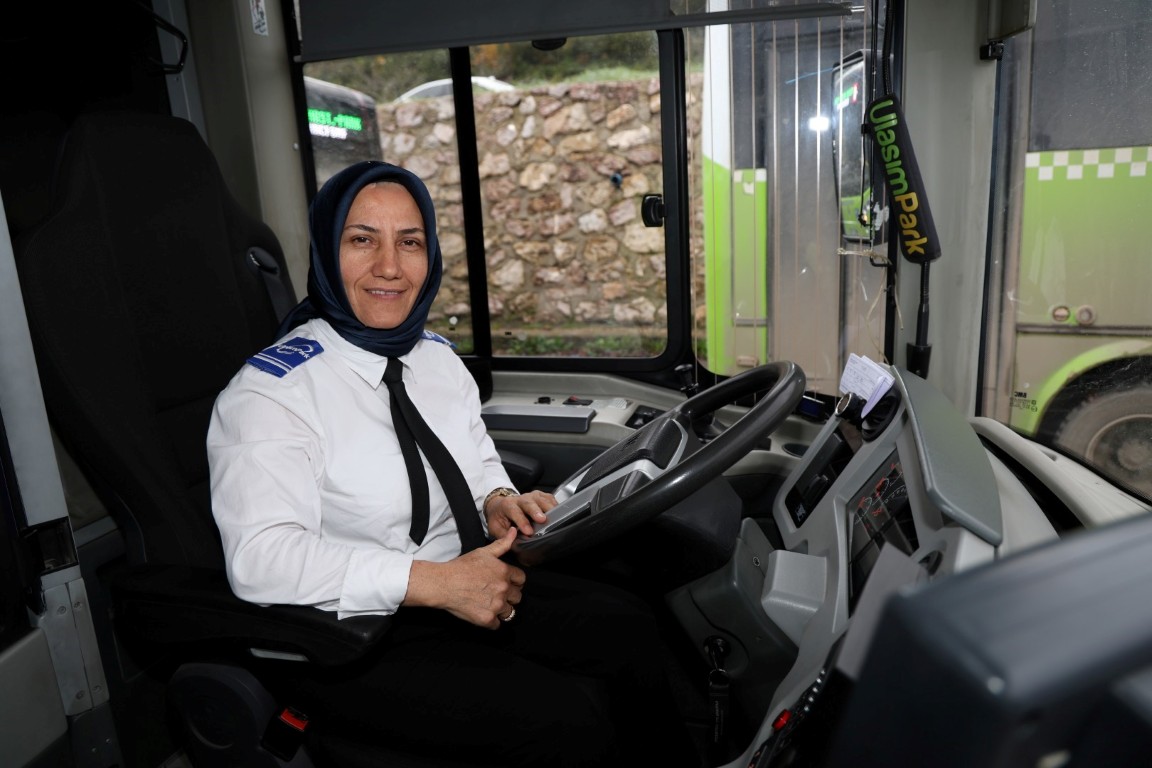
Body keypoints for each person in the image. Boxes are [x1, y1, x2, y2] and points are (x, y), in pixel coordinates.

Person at [207, 160, 700, 767]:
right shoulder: (270, 394)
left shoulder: (436, 358)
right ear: (327, 253)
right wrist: (434, 584)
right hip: (355, 633)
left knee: (629, 626)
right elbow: (260, 560)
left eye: (410, 242)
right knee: (564, 723)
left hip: (468, 578)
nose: (390, 266)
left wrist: (496, 500)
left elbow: (476, 458)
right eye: (362, 239)